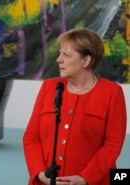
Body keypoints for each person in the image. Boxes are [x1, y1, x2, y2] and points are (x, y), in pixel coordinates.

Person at [23, 28, 127, 185]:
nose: (59, 59)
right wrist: (39, 172)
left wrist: (85, 178)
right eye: (60, 53)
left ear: (86, 61)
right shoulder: (49, 87)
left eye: (66, 55)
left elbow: (112, 145)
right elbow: (31, 137)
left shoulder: (112, 92)